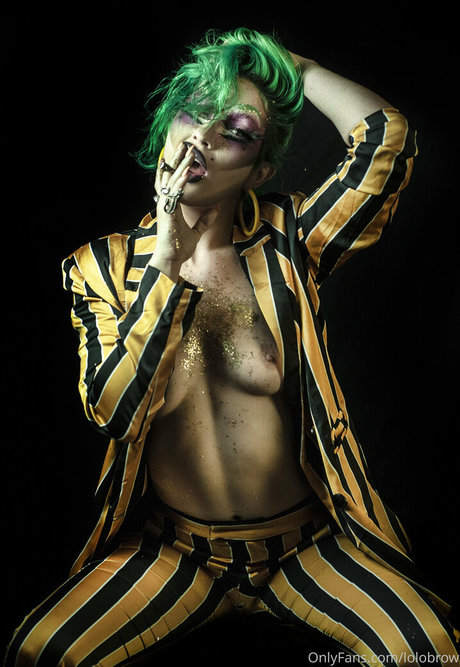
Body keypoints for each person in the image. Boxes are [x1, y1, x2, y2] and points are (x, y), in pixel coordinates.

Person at [5, 27, 458, 666]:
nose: (202, 138)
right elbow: (115, 412)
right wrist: (167, 259)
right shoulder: (99, 267)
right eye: (193, 111)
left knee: (426, 649)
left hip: (305, 546)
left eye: (236, 132)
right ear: (167, 126)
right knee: (39, 653)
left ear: (259, 170)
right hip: (174, 551)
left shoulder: (289, 241)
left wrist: (297, 68)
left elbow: (388, 141)